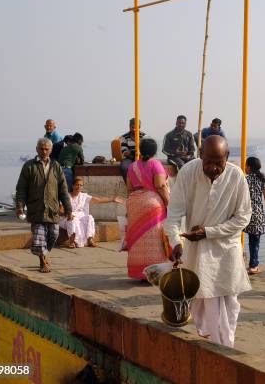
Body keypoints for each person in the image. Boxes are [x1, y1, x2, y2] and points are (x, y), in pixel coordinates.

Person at [166, 136, 251, 348]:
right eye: (208, 162)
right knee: (205, 301)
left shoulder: (236, 176)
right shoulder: (188, 172)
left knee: (230, 303)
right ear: (200, 156)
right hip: (196, 251)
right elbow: (174, 213)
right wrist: (175, 241)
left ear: (227, 158)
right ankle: (217, 344)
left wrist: (209, 232)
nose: (213, 168)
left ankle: (225, 345)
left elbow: (243, 218)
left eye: (219, 163)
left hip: (226, 248)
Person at [15, 138, 73, 273]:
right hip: (36, 209)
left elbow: (63, 190)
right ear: (36, 149)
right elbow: (21, 189)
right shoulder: (29, 166)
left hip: (52, 209)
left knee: (53, 234)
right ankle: (42, 261)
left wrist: (68, 208)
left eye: (47, 149)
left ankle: (44, 252)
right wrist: (20, 206)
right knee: (40, 236)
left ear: (51, 150)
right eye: (41, 148)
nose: (44, 151)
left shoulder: (56, 166)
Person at [124, 138, 170, 280]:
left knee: (138, 239)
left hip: (135, 202)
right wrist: (169, 203)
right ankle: (155, 273)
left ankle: (139, 272)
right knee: (155, 239)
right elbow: (161, 185)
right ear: (154, 152)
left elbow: (129, 187)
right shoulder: (155, 164)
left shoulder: (132, 166)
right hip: (152, 203)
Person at [59, 177, 123, 248]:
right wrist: (68, 214)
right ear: (73, 186)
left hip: (80, 217)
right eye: (77, 185)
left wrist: (112, 200)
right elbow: (61, 210)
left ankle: (90, 239)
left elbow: (98, 199)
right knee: (73, 220)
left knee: (90, 218)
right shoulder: (67, 196)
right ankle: (72, 241)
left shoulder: (84, 196)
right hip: (67, 217)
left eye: (81, 185)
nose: (79, 187)